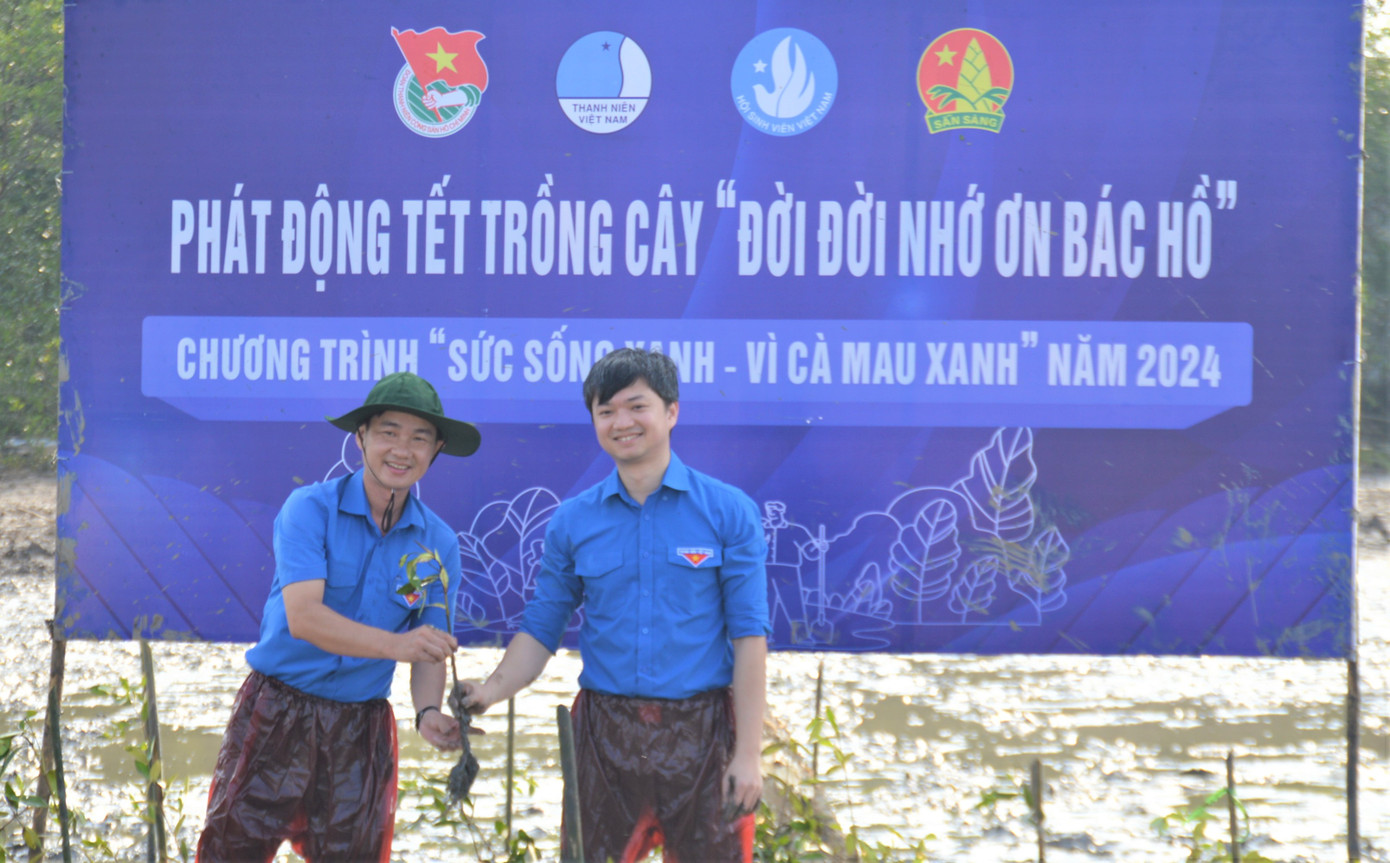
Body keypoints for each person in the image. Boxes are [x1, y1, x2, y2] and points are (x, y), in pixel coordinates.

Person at [462, 348, 769, 863]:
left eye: (636, 406)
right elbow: (541, 629)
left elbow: (749, 637)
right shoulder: (573, 521)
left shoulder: (728, 511)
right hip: (604, 738)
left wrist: (748, 755)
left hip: (703, 734)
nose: (621, 423)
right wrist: (488, 692)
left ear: (672, 412)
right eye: (606, 412)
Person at [197, 371, 480, 863]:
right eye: (389, 432)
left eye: (419, 438)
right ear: (361, 437)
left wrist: (428, 712)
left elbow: (429, 648)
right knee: (232, 851)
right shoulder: (309, 509)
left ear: (435, 451)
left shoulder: (439, 545)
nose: (402, 450)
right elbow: (304, 618)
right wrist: (397, 646)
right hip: (277, 712)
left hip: (360, 728)